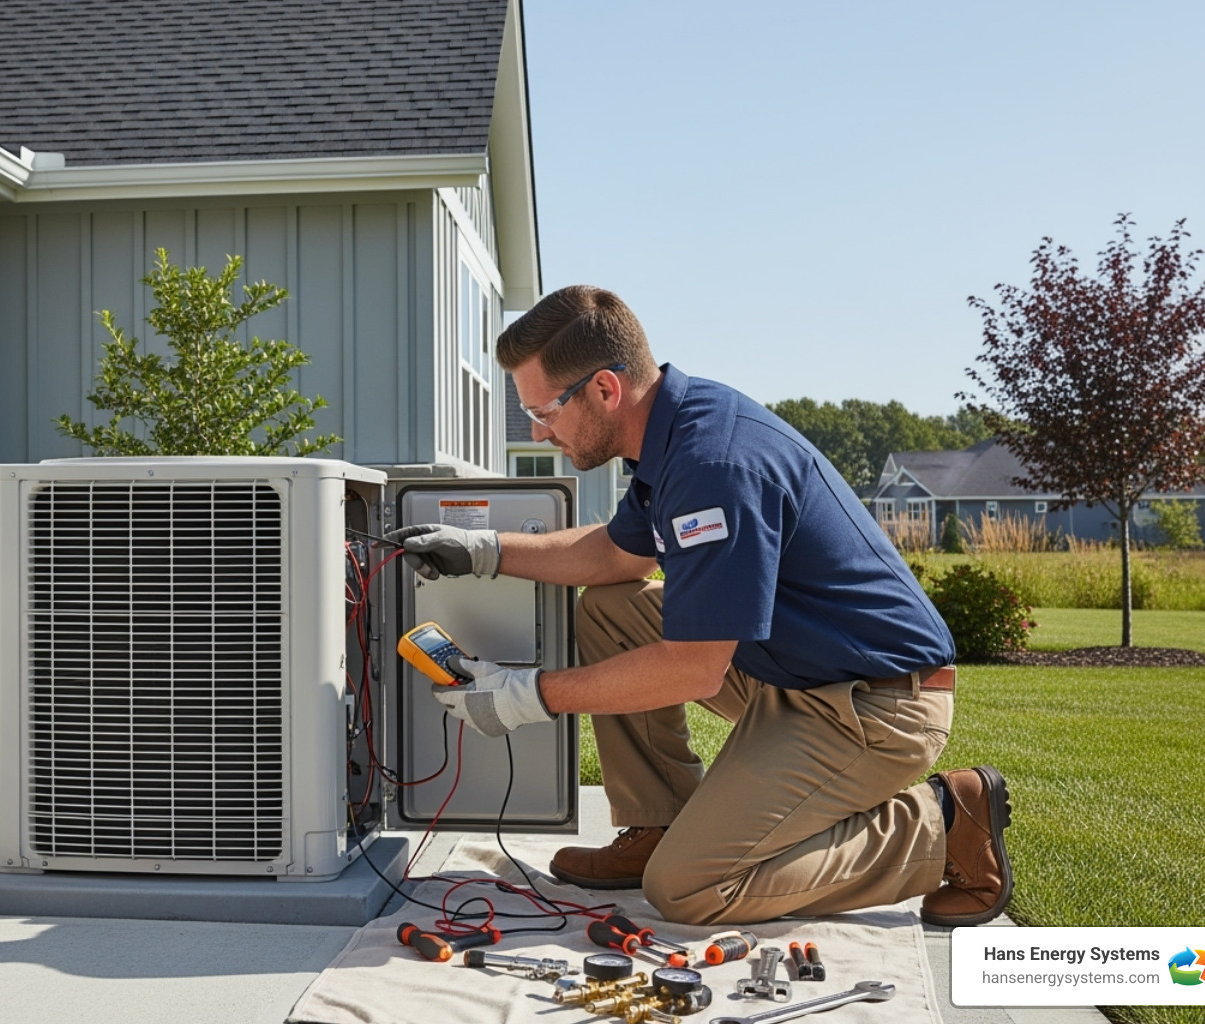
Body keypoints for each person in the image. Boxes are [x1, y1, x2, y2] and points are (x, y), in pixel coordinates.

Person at [389, 285, 1012, 927]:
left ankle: (945, 826)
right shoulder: (671, 436)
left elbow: (693, 669)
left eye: (543, 410)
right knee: (609, 610)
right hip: (798, 675)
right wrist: (485, 550)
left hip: (879, 706)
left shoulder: (712, 464)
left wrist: (526, 696)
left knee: (689, 888)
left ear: (604, 388)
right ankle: (659, 823)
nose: (537, 432)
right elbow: (616, 557)